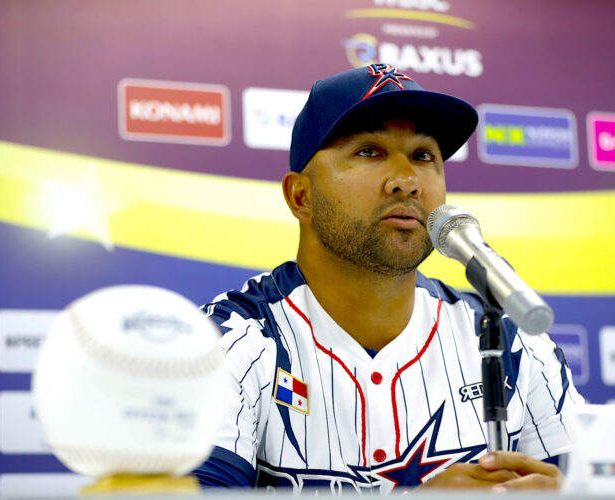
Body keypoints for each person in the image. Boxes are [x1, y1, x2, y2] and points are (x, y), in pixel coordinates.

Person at [192, 64, 583, 493]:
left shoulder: (510, 341)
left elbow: (594, 486)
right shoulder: (224, 344)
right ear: (300, 196)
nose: (407, 182)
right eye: (369, 152)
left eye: (423, 156)